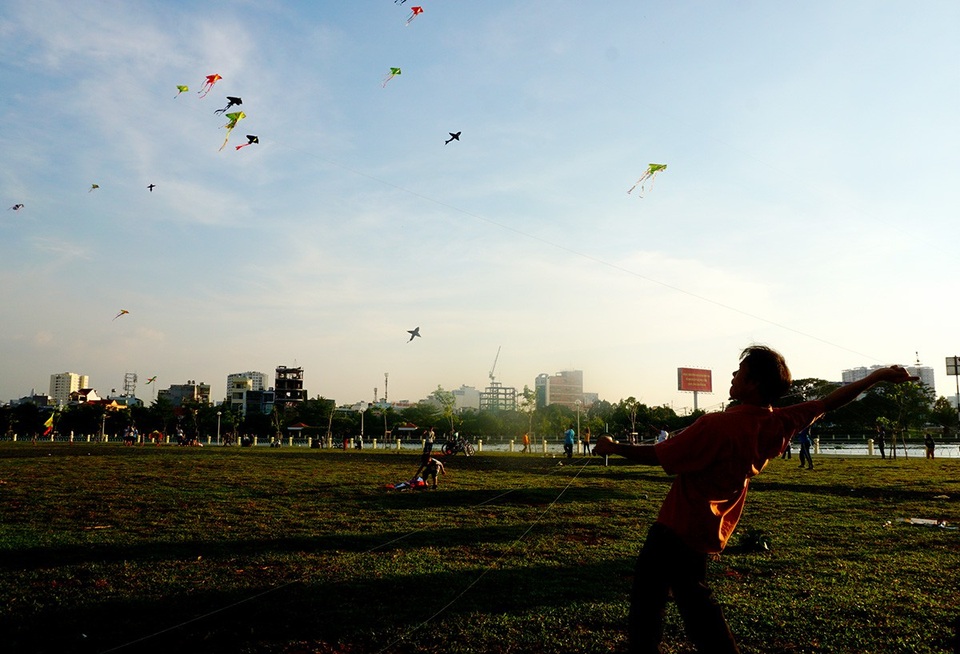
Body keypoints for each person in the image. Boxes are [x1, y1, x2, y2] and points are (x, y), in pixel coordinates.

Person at [593, 345, 915, 654]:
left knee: (650, 605)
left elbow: (658, 455)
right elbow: (830, 402)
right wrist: (878, 376)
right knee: (694, 601)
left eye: (740, 372)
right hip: (708, 532)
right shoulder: (779, 423)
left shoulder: (715, 425)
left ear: (754, 383)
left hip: (673, 528)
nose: (733, 375)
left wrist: (613, 447)